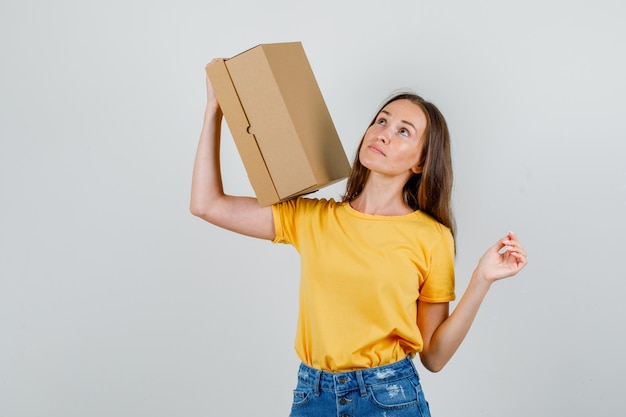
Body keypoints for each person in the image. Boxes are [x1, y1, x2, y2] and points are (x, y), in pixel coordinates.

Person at [190, 60, 528, 417]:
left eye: (403, 132)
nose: (383, 132)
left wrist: (481, 279)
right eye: (381, 121)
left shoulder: (432, 237)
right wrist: (214, 109)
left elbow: (434, 356)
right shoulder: (311, 217)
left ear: (420, 163)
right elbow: (206, 204)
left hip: (390, 397)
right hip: (312, 396)